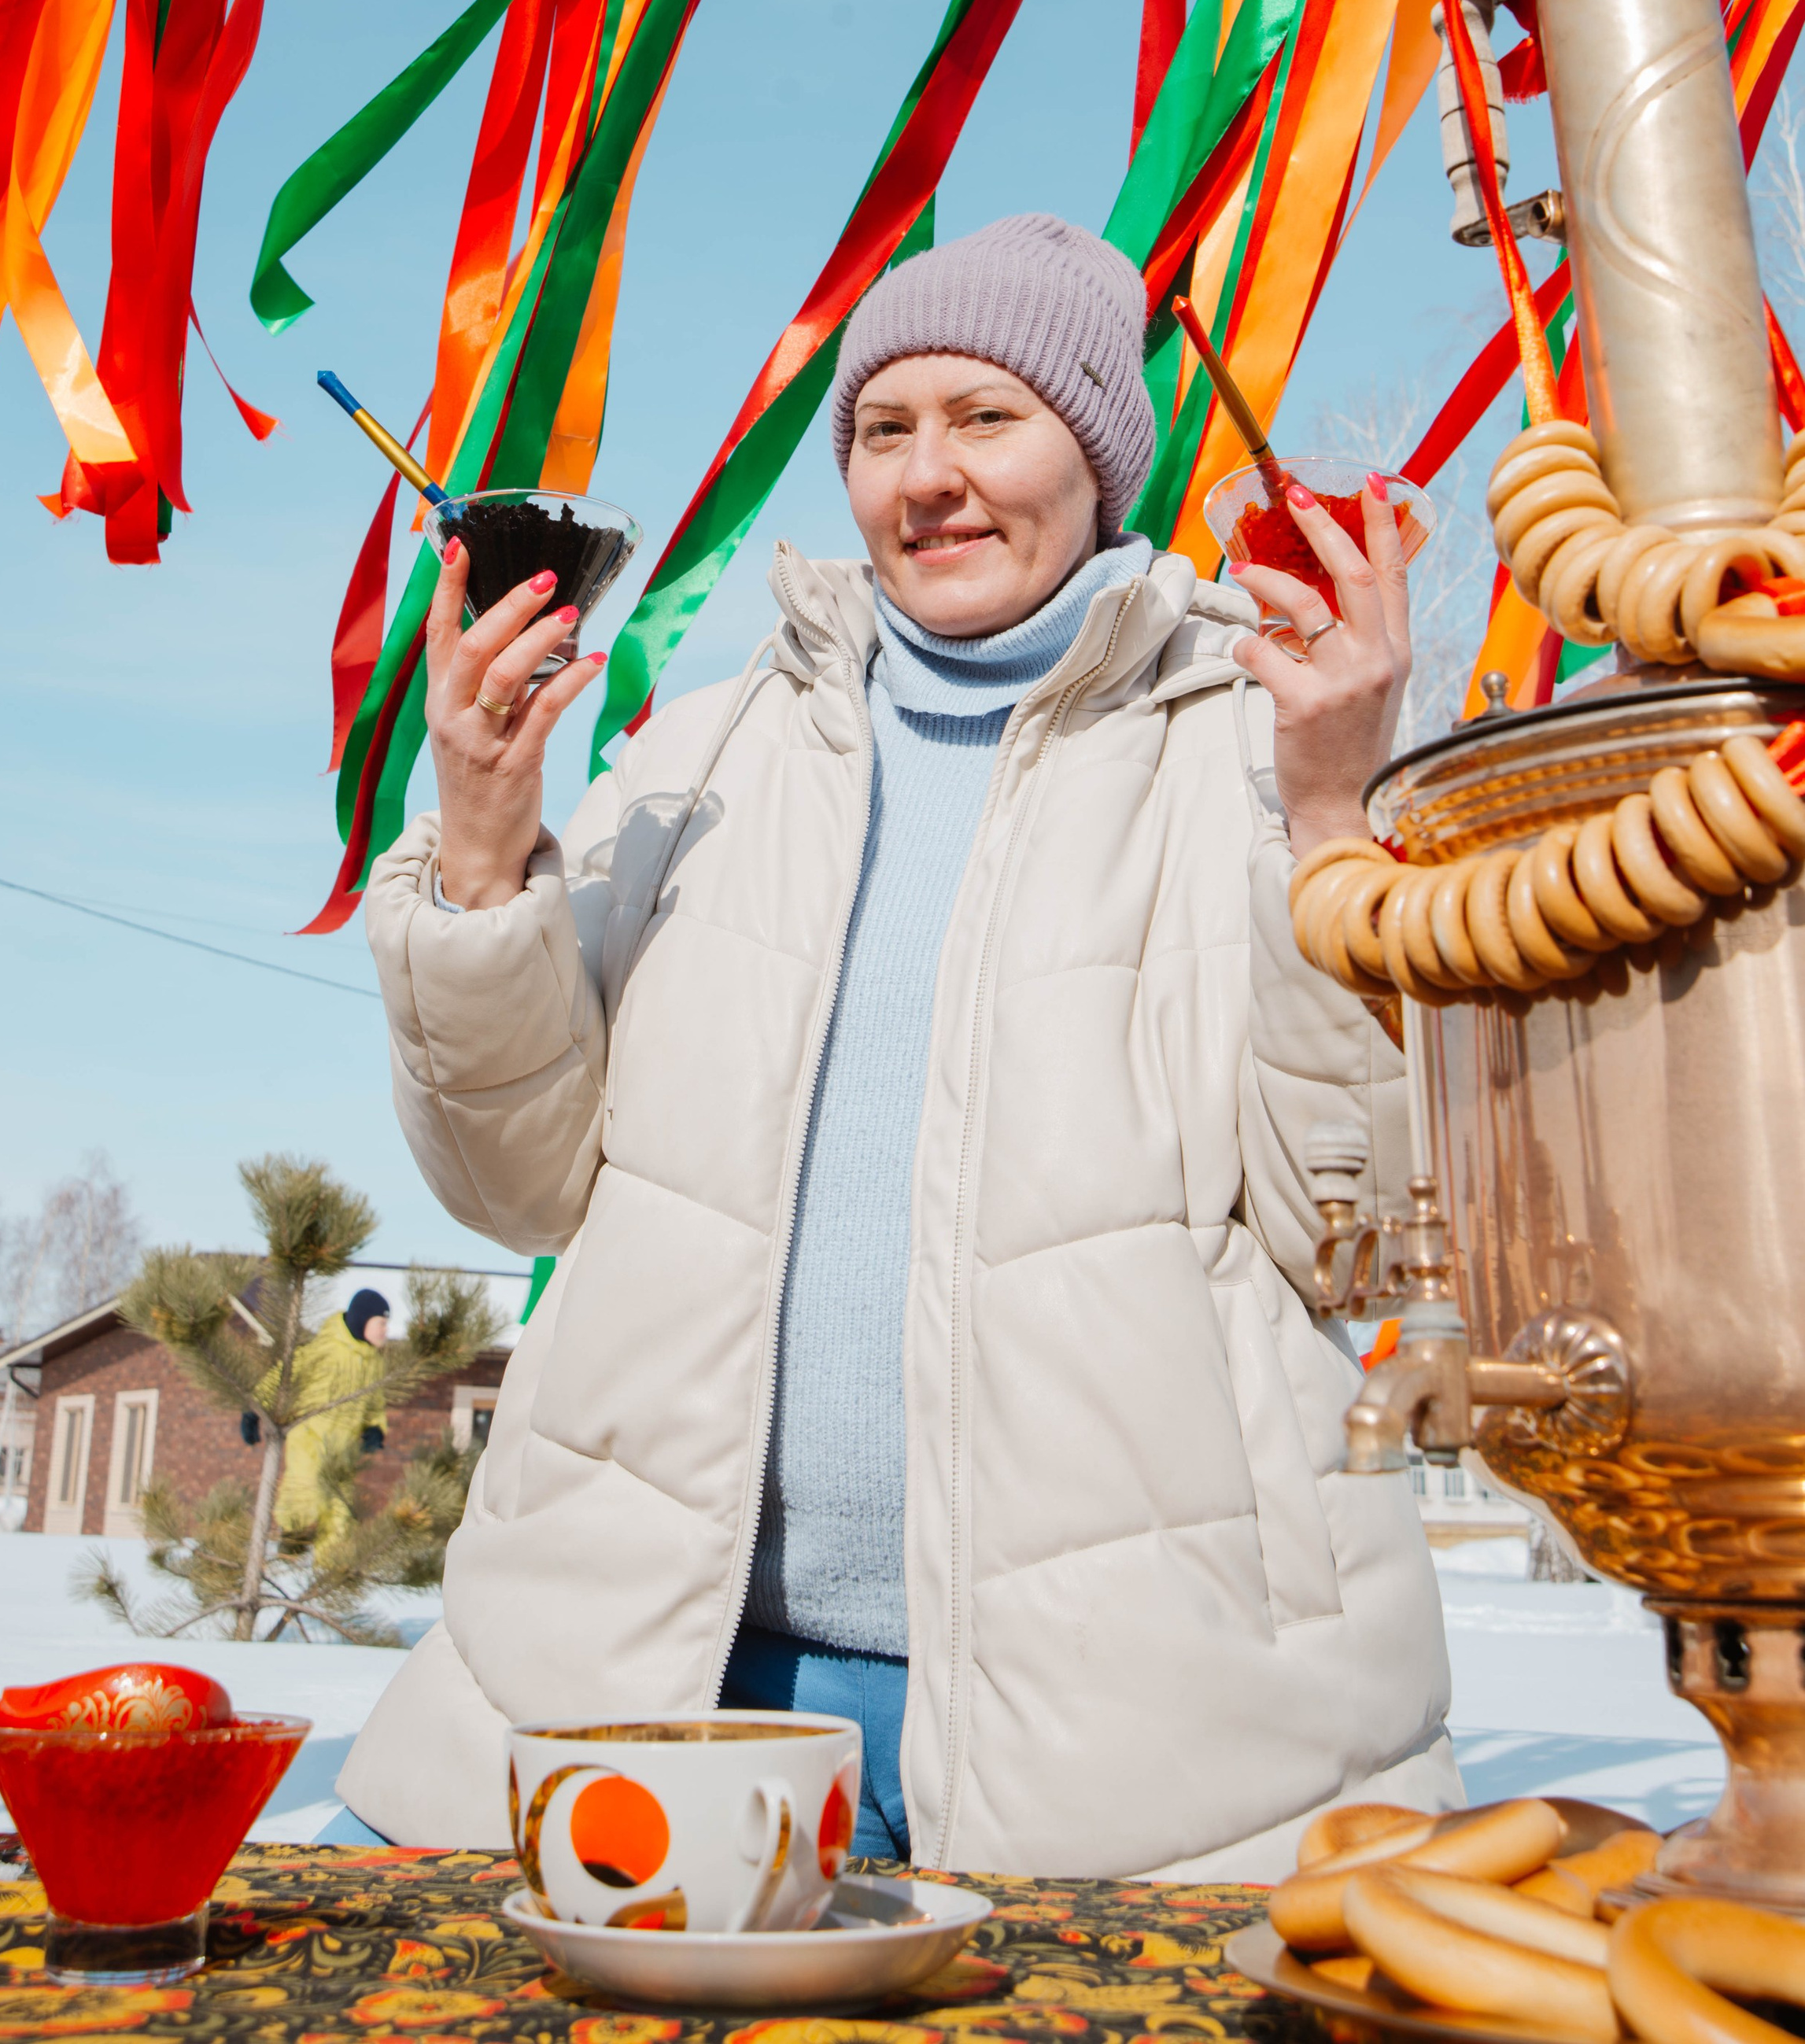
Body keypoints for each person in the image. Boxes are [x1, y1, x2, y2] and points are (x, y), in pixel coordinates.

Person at [336, 214, 1456, 1876]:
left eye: (986, 418)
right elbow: (515, 1188)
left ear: (1094, 458)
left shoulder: (1262, 751)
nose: (925, 475)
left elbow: (1351, 1241)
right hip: (669, 1703)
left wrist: (1328, 822)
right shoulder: (695, 760)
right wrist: (487, 854)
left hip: (1142, 1744)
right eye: (882, 428)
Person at [275, 1286, 390, 1542]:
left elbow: (375, 1404)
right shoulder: (325, 1348)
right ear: (363, 1320)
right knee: (303, 1494)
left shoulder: (374, 1363)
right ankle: (290, 1547)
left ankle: (332, 1571)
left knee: (338, 1514)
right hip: (310, 1442)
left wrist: (375, 1428)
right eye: (381, 1322)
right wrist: (254, 1409)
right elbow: (283, 1376)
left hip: (344, 1450)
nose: (385, 1330)